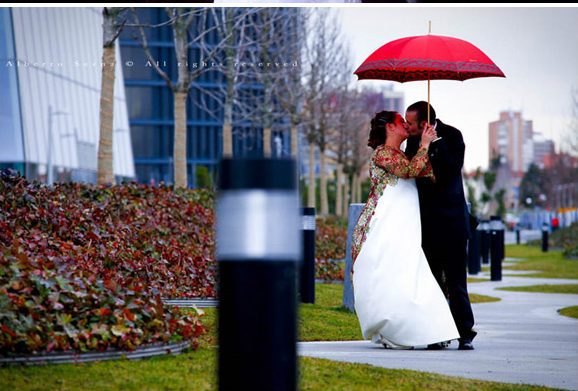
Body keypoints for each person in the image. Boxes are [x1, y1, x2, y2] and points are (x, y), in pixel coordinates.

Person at [351, 110, 460, 349]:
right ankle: (393, 327)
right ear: (390, 127)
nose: (406, 126)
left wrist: (429, 148)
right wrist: (424, 143)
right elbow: (410, 171)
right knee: (390, 271)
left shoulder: (402, 153)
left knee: (408, 272)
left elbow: (427, 173)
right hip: (386, 222)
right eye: (401, 122)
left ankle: (427, 329)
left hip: (404, 222)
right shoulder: (383, 153)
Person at [404, 101, 477, 350]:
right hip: (429, 224)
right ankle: (435, 333)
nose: (407, 127)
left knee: (457, 282)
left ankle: (465, 332)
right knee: (432, 282)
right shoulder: (413, 144)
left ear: (424, 123)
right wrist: (423, 145)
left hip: (454, 222)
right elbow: (416, 175)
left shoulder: (453, 136)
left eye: (410, 123)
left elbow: (450, 170)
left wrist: (435, 144)